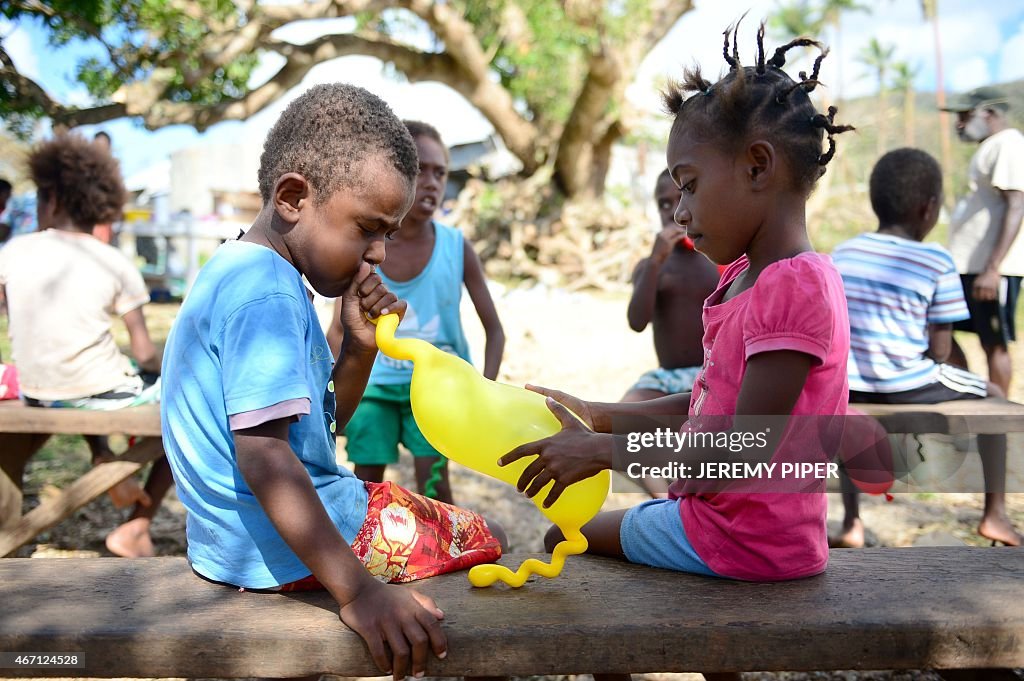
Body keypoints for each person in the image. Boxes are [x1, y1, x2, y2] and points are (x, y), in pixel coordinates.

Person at [501, 17, 854, 607]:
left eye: (688, 185)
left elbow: (745, 449)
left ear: (758, 167)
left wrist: (604, 454)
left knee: (563, 536)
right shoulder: (748, 277)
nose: (680, 211)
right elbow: (704, 406)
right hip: (731, 526)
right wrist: (599, 415)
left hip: (744, 541)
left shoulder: (794, 285)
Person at [160, 84, 506, 681]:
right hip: (288, 544)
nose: (376, 254)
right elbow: (266, 458)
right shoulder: (267, 293)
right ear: (293, 197)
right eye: (368, 228)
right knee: (489, 535)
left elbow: (319, 432)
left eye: (389, 234)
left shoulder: (243, 269)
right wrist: (359, 593)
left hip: (231, 544)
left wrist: (357, 348)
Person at [833, 148, 1023, 547]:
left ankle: (851, 522)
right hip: (907, 382)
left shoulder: (843, 253)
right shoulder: (935, 259)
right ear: (929, 208)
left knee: (847, 417)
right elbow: (938, 351)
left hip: (849, 384)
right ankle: (995, 515)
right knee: (993, 396)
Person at [0, 132, 171, 557]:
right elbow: (147, 352)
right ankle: (134, 525)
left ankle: (11, 537)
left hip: (39, 390)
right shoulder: (111, 260)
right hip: (98, 392)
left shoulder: (14, 251)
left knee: (86, 381)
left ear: (53, 200)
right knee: (196, 405)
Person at [326, 120, 505, 505]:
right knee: (367, 486)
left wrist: (484, 394)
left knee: (436, 488)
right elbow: (337, 332)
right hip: (370, 389)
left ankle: (449, 557)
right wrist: (325, 398)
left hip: (439, 390)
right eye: (421, 169)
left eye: (441, 172)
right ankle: (367, 556)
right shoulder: (364, 250)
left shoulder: (458, 247)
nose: (432, 182)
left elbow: (495, 331)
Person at [624, 169, 721, 497]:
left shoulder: (719, 260)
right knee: (624, 426)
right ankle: (663, 500)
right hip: (666, 380)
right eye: (663, 203)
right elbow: (637, 321)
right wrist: (653, 262)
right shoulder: (652, 265)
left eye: (680, 197)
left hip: (711, 375)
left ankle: (686, 499)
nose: (672, 210)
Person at [940, 87, 1024, 396]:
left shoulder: (1009, 144)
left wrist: (993, 268)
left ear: (988, 113)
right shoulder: (990, 147)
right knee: (940, 330)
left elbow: (1017, 204)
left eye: (964, 116)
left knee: (994, 343)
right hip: (968, 265)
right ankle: (973, 396)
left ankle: (996, 415)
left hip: (989, 268)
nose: (959, 124)